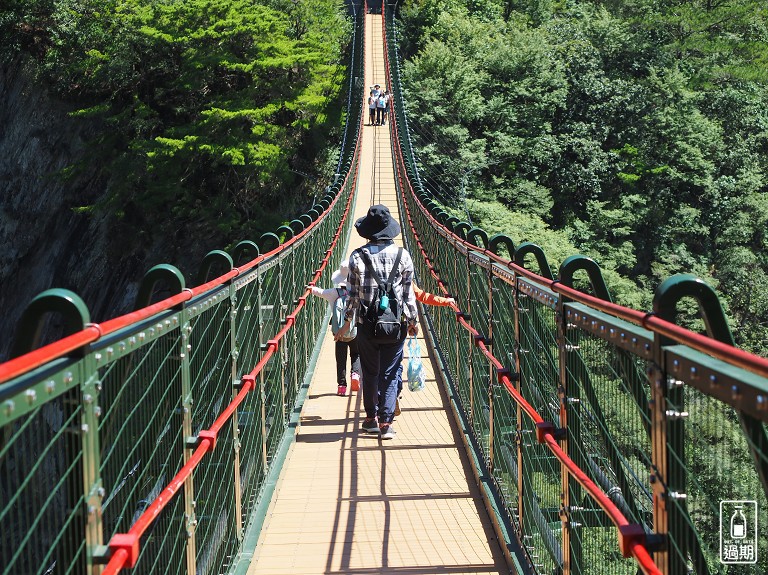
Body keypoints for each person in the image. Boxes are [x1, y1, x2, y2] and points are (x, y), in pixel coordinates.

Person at [334, 205, 418, 440]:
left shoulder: (357, 256)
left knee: (370, 372)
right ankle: (386, 424)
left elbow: (351, 296)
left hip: (366, 325)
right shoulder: (404, 255)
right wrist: (413, 320)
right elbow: (408, 294)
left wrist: (345, 323)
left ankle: (370, 419)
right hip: (395, 324)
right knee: (390, 373)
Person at [308, 262, 361, 396]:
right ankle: (355, 374)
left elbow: (320, 292)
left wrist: (311, 288)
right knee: (356, 354)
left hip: (338, 333)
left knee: (340, 358)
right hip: (353, 330)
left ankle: (341, 386)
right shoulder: (356, 292)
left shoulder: (333, 293)